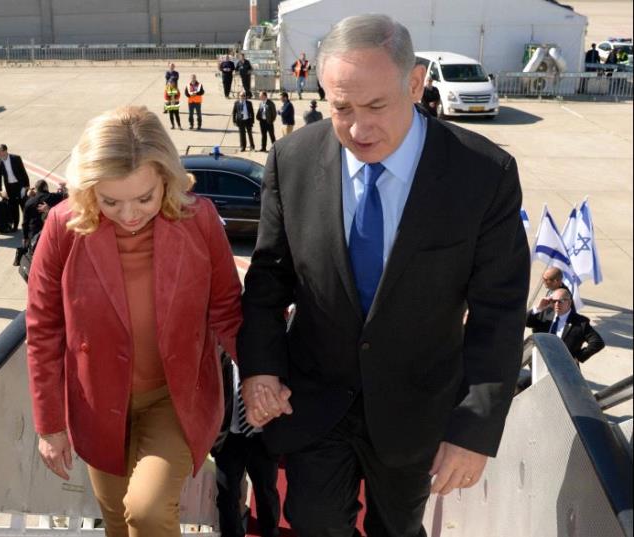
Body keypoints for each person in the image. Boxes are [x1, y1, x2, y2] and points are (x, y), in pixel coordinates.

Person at [237, 14, 530, 537]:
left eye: (377, 106)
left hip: (416, 407)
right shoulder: (292, 159)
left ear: (415, 84)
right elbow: (268, 280)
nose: (358, 128)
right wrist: (261, 368)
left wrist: (476, 430)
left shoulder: (483, 175)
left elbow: (498, 314)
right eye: (341, 107)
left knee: (398, 529)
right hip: (315, 399)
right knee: (313, 525)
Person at [26, 105, 242, 537]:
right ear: (88, 191)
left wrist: (259, 378)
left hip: (175, 399)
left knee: (145, 512)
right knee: (116, 524)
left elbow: (227, 309)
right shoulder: (63, 227)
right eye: (110, 201)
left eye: (144, 198)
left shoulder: (198, 220)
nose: (129, 215)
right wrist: (50, 425)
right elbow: (43, 329)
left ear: (167, 178)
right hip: (99, 402)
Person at [213, 355, 280, 537]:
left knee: (266, 494)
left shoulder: (266, 359)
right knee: (227, 495)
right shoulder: (220, 358)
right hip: (229, 439)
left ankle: (270, 532)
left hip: (262, 439)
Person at [527, 287, 605, 366]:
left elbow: (597, 342)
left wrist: (578, 357)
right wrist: (538, 308)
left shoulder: (580, 322)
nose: (557, 304)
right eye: (554, 301)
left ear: (569, 302)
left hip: (563, 366)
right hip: (539, 362)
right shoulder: (544, 313)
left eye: (561, 301)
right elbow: (525, 322)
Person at [0, 144, 31, 233]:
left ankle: (28, 225)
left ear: (5, 151)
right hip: (10, 187)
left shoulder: (16, 158)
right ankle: (15, 225)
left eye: (0, 151)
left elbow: (23, 171)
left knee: (24, 206)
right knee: (13, 207)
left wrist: (27, 185)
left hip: (19, 185)